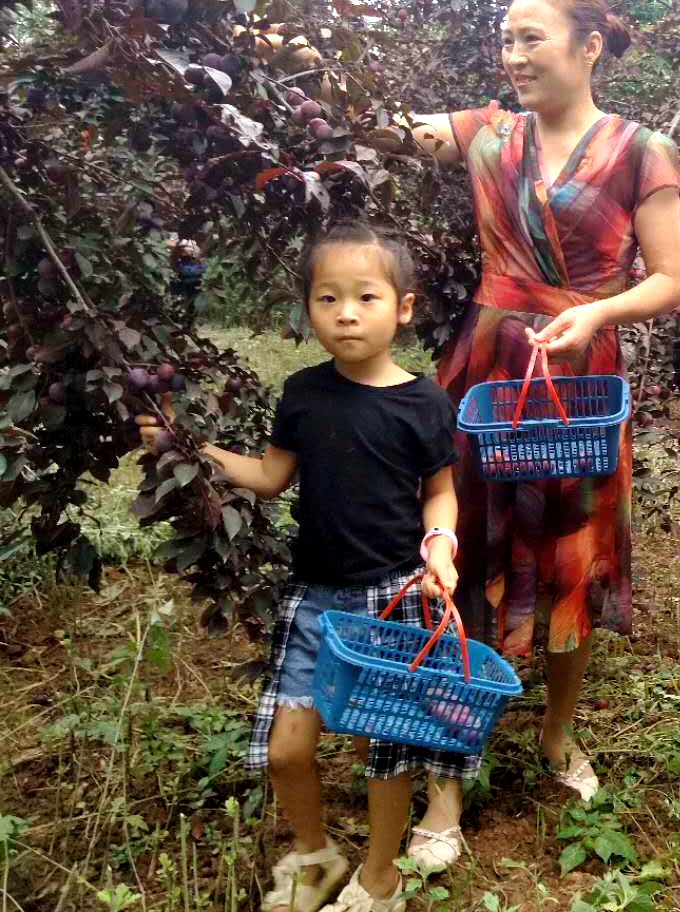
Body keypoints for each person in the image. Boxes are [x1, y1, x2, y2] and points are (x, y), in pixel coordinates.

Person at [401, 0, 680, 841]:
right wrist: (294, 56)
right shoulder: (489, 133)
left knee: (574, 551)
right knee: (460, 546)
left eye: (532, 38)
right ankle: (451, 763)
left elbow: (669, 282)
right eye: (507, 39)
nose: (513, 55)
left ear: (589, 46)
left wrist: (597, 312)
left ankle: (557, 732)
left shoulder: (641, 151)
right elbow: (388, 128)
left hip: (578, 373)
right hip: (486, 369)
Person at [139, 222, 472, 912]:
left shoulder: (425, 402)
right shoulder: (303, 392)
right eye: (327, 298)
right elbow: (269, 477)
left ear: (404, 308)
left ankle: (379, 878)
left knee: (387, 748)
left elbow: (439, 491)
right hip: (315, 597)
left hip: (392, 598)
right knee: (287, 749)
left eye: (366, 297)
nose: (346, 313)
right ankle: (316, 854)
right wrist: (185, 445)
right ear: (308, 308)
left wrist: (440, 545)